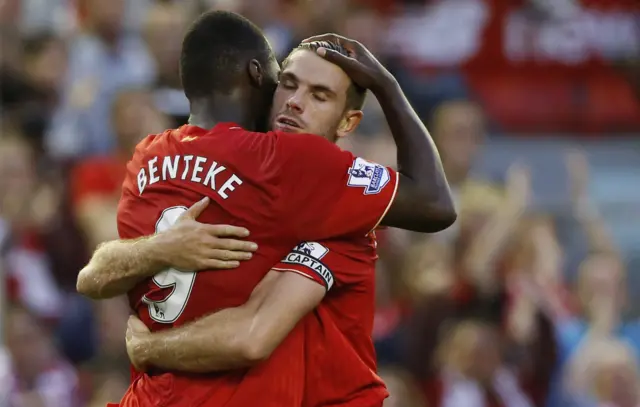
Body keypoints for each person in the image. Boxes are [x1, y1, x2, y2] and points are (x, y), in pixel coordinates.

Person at [78, 11, 455, 407]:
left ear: (349, 122)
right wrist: (387, 85)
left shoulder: (148, 156)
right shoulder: (278, 163)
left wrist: (149, 345)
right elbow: (434, 202)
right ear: (258, 77)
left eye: (319, 95)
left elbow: (95, 277)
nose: (294, 102)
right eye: (287, 83)